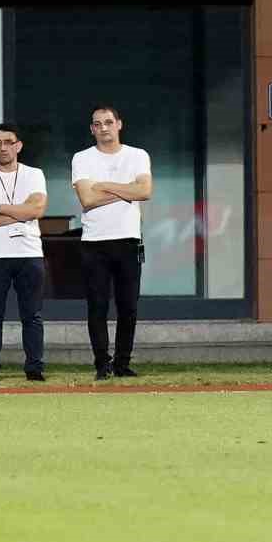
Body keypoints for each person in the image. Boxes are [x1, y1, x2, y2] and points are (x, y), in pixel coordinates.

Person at [72, 106, 153, 380]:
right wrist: (125, 191)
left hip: (128, 240)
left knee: (128, 306)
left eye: (108, 122)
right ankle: (101, 364)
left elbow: (144, 190)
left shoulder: (137, 155)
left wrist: (104, 185)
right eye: (98, 124)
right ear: (92, 129)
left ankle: (122, 363)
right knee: (97, 306)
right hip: (95, 241)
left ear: (119, 124)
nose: (104, 127)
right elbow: (88, 199)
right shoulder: (82, 159)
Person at [0, 124, 48, 383]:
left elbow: (36, 210)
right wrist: (18, 214)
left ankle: (34, 368)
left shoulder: (34, 174)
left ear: (18, 145)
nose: (2, 147)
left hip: (29, 253)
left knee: (32, 315)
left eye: (7, 142)